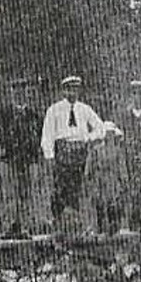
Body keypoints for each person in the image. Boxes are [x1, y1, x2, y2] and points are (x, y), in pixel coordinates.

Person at [40, 75, 105, 236]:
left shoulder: (85, 109)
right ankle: (58, 226)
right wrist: (50, 156)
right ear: (63, 91)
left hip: (79, 152)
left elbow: (100, 128)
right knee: (60, 190)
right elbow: (47, 135)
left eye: (75, 89)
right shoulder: (54, 109)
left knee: (78, 190)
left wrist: (88, 138)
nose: (72, 93)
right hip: (62, 151)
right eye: (69, 89)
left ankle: (77, 226)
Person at [0, 78, 41, 240]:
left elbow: (43, 136)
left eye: (23, 92)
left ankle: (23, 228)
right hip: (8, 159)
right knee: (9, 194)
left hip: (27, 161)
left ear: (27, 94)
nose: (19, 95)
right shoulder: (4, 113)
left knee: (26, 195)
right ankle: (9, 227)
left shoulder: (33, 115)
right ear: (11, 94)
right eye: (16, 92)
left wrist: (36, 154)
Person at [110, 79, 141, 233]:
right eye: (135, 94)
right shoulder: (123, 115)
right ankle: (114, 224)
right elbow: (117, 136)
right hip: (126, 159)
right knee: (122, 191)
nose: (138, 98)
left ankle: (136, 223)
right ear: (130, 96)